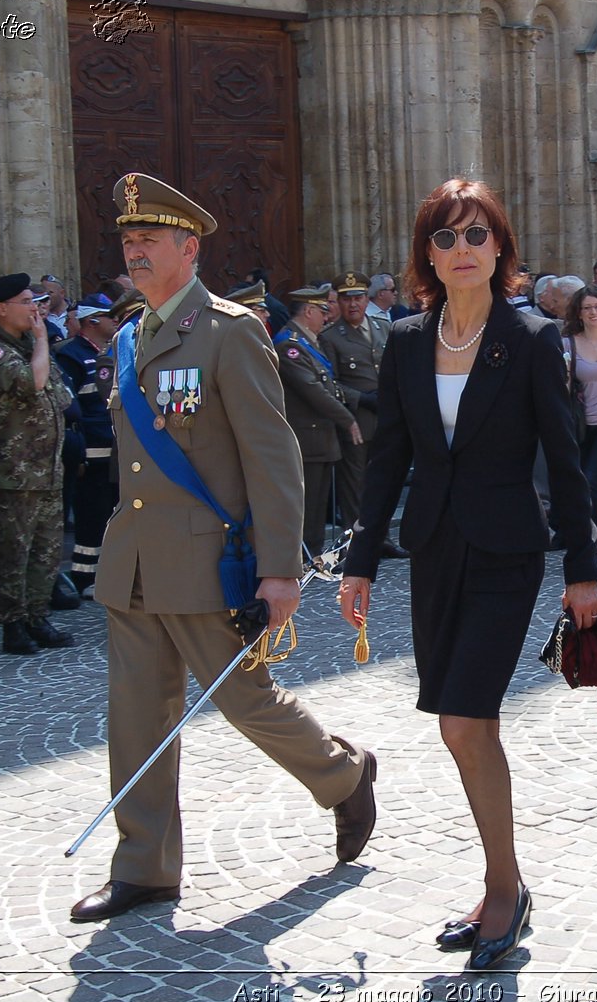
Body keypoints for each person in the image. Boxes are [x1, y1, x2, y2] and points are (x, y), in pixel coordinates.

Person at [72, 173, 377, 924]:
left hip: (211, 562)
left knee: (245, 702)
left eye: (148, 240)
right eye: (127, 241)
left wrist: (281, 570)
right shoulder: (129, 336)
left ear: (189, 246)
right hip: (136, 563)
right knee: (137, 720)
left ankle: (344, 777)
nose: (133, 253)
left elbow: (271, 457)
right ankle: (144, 867)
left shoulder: (229, 331)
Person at [336, 178, 597, 972]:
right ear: (427, 253)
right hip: (434, 550)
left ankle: (504, 884)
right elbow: (389, 460)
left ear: (501, 249)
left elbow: (563, 458)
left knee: (464, 718)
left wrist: (582, 567)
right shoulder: (408, 339)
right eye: (445, 238)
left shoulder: (529, 340)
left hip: (505, 553)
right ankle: (502, 889)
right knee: (464, 725)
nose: (461, 250)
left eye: (476, 235)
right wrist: (360, 561)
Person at [0, 274, 74, 656]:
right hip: (11, 473)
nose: (35, 309)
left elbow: (61, 396)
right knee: (14, 552)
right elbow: (32, 384)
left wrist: (39, 351)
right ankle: (13, 623)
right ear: (1, 309)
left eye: (36, 301)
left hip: (46, 469)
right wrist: (43, 343)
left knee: (46, 552)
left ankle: (37, 615)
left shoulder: (29, 345)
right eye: (27, 302)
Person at [320, 270, 405, 559]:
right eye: (346, 299)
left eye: (357, 298)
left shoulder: (384, 329)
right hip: (358, 419)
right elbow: (328, 380)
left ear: (366, 299)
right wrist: (361, 399)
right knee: (355, 486)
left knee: (386, 481)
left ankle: (381, 539)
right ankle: (356, 545)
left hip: (387, 419)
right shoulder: (331, 337)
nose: (352, 304)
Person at [275, 285, 360, 557]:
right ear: (308, 311)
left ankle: (312, 555)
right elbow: (313, 390)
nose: (326, 316)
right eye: (322, 311)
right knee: (308, 504)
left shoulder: (310, 342)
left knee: (317, 504)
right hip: (307, 438)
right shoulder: (290, 345)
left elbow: (329, 385)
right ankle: (302, 557)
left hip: (320, 437)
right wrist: (348, 419)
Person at [53, 294, 120, 596]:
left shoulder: (108, 351)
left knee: (109, 514)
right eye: (110, 316)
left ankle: (106, 573)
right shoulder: (71, 354)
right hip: (90, 451)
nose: (115, 321)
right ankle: (84, 576)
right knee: (91, 516)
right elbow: (73, 406)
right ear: (92, 320)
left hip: (112, 449)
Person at [565, 284, 597, 555]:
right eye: (587, 308)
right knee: (582, 480)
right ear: (579, 313)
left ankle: (594, 539)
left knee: (591, 477)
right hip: (582, 423)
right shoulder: (569, 343)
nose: (593, 312)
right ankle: (596, 535)